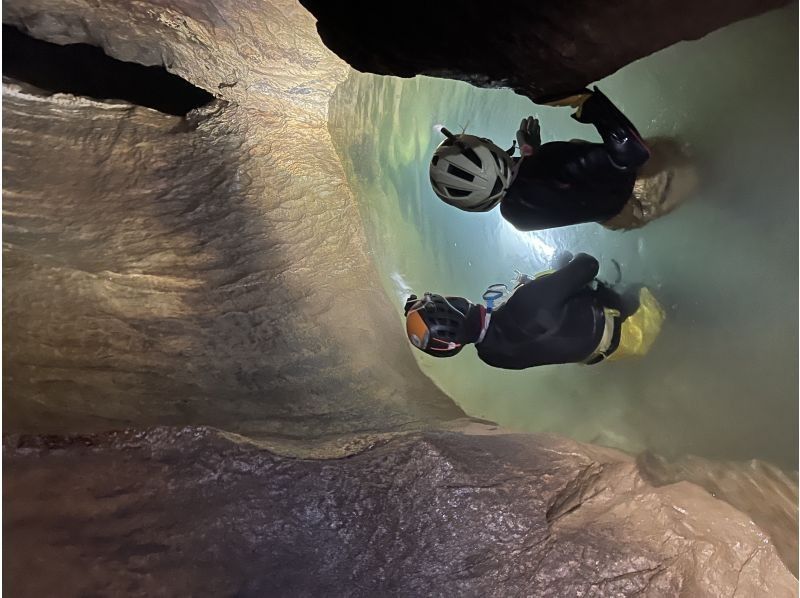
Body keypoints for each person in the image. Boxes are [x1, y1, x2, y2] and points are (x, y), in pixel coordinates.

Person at [429, 87, 690, 231]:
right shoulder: (550, 160)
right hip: (651, 183)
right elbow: (633, 153)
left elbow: (547, 190)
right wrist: (587, 102)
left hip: (623, 217)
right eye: (484, 142)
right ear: (490, 151)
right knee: (713, 164)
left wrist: (530, 151)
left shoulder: (515, 217)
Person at [403, 253, 664, 369]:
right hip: (636, 322)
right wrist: (564, 266)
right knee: (672, 291)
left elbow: (536, 329)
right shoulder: (527, 303)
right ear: (455, 306)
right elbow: (589, 265)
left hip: (613, 352)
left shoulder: (491, 356)